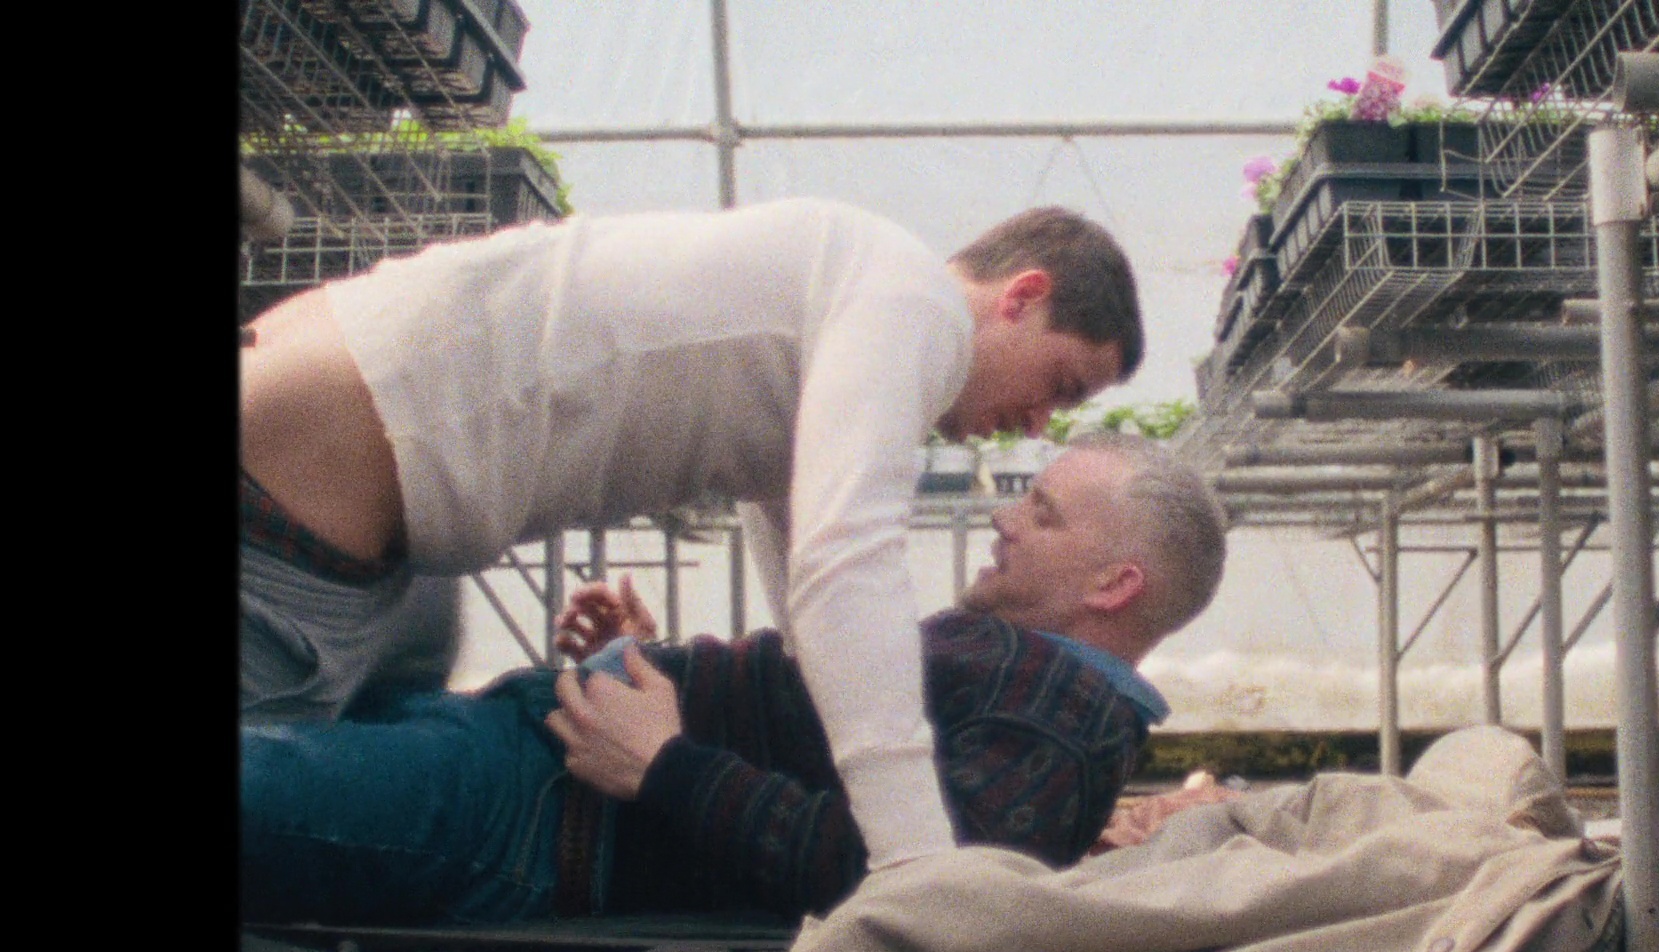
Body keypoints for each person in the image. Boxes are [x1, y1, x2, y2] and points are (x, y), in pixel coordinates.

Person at [240, 198, 1144, 871]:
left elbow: (800, 542)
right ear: (1022, 297)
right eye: (1061, 385)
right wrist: (918, 865)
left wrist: (808, 712)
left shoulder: (849, 284)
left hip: (381, 513)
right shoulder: (918, 306)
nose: (1038, 423)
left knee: (325, 821)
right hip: (308, 495)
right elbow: (846, 559)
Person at [241, 434, 1229, 926]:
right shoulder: (1032, 678)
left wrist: (666, 763)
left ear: (1115, 585)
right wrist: (658, 658)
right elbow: (816, 737)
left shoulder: (1059, 720)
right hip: (529, 755)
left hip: (532, 814)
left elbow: (915, 889)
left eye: (1044, 514)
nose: (1007, 520)